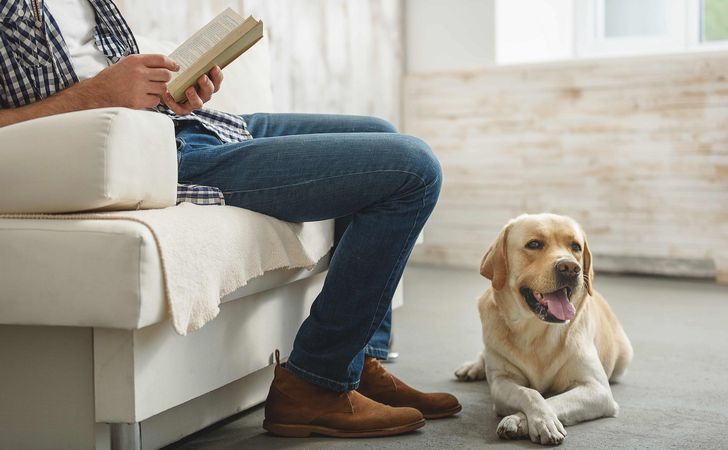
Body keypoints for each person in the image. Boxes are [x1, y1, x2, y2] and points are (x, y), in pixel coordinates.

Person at [0, 0, 461, 438]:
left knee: (379, 133)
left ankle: (354, 362)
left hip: (185, 126)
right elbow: (88, 100)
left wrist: (170, 92)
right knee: (411, 169)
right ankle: (316, 383)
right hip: (152, 158)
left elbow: (113, 83)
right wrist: (99, 95)